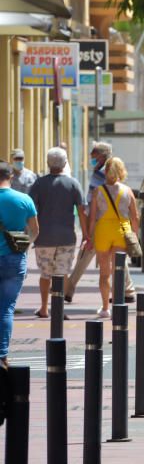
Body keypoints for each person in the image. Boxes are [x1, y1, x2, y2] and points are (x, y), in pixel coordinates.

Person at [65, 142, 135, 303]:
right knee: (118, 258)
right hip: (118, 223)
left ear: (102, 156)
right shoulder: (113, 171)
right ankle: (128, 289)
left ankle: (69, 288)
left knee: (85, 254)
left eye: (94, 155)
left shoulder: (100, 173)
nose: (92, 159)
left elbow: (93, 202)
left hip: (101, 222)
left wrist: (87, 230)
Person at [29, 147, 86, 318]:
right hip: (67, 238)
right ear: (65, 163)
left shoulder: (39, 184)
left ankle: (44, 308)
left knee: (45, 274)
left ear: (47, 163)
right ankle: (58, 309)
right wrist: (86, 234)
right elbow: (82, 211)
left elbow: (31, 210)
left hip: (43, 237)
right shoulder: (73, 183)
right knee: (61, 274)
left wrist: (32, 233)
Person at [84, 157, 139, 319]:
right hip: (122, 231)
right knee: (118, 271)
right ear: (121, 171)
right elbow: (135, 217)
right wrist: (134, 235)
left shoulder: (98, 191)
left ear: (105, 171)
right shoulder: (128, 191)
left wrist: (88, 237)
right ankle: (117, 305)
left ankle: (105, 308)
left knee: (104, 272)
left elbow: (92, 217)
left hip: (103, 231)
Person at [0, 161, 38, 367]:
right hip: (15, 259)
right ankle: (2, 355)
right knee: (6, 308)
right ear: (11, 177)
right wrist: (24, 246)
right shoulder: (24, 199)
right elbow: (35, 230)